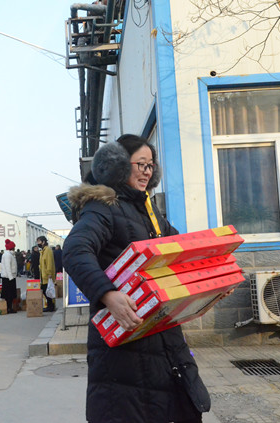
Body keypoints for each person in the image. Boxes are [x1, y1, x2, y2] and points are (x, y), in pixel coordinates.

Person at [63, 134, 211, 423]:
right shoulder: (102, 208)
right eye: (140, 164)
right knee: (131, 409)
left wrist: (211, 284)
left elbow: (180, 251)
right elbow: (75, 251)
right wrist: (108, 295)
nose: (146, 172)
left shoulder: (150, 212)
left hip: (162, 332)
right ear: (118, 166)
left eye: (150, 165)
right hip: (125, 337)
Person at [0, 239, 18, 313]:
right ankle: (8, 308)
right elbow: (7, 267)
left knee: (10, 294)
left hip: (9, 276)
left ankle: (9, 307)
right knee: (9, 294)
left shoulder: (9, 254)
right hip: (8, 277)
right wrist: (11, 277)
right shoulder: (7, 255)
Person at [38, 236, 56, 312]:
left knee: (47, 290)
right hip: (43, 274)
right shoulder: (43, 251)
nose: (38, 243)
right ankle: (50, 305)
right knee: (46, 290)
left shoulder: (48, 250)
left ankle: (51, 306)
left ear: (43, 242)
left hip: (47, 274)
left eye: (39, 241)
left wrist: (49, 273)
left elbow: (49, 262)